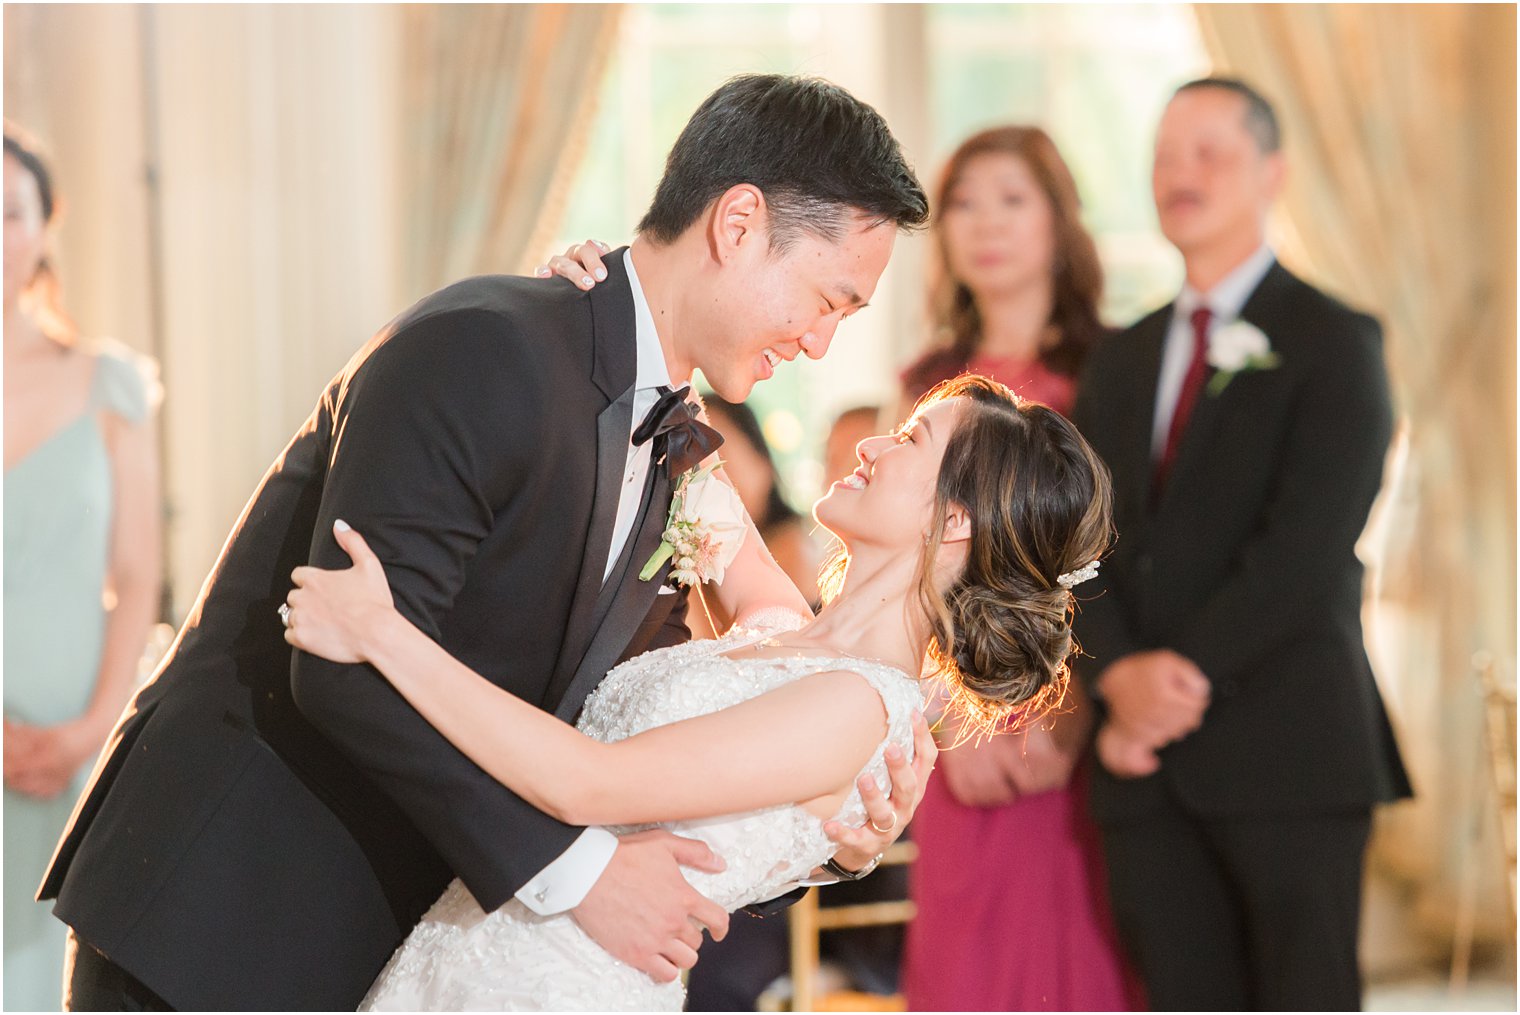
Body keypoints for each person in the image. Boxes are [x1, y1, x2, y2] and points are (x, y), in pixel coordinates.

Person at [40, 75, 933, 1012]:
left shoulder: (677, 450)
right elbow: (342, 660)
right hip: (233, 917)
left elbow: (655, 734)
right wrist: (579, 873)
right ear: (739, 223)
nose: (824, 344)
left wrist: (828, 836)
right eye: (829, 300)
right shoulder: (486, 347)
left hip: (411, 946)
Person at [280, 374, 1116, 1011]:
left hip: (562, 985)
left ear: (958, 519)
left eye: (908, 438)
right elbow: (683, 448)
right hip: (471, 947)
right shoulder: (783, 626)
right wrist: (595, 295)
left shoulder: (859, 708)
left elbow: (584, 783)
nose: (869, 445)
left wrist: (383, 635)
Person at [1070, 77, 1411, 1010]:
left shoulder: (1337, 341)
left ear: (1273, 173)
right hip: (1141, 768)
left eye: (1209, 153)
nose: (1182, 174)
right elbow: (1076, 543)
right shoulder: (1124, 355)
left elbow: (1310, 545)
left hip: (1288, 748)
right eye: (1166, 156)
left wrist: (1171, 682)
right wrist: (1118, 676)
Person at [895, 125, 1140, 1012]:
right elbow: (910, 566)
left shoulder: (1115, 370)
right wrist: (945, 721)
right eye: (962, 202)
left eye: (1011, 198)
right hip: (960, 728)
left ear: (1058, 222)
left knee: (1078, 957)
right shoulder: (925, 380)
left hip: (1071, 729)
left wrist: (1066, 714)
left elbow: (1122, 561)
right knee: (967, 965)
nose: (984, 224)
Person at [2, 126, 163, 1011]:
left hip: (76, 744)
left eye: (11, 212)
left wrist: (92, 726)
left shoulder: (108, 383)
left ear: (44, 227)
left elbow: (138, 573)